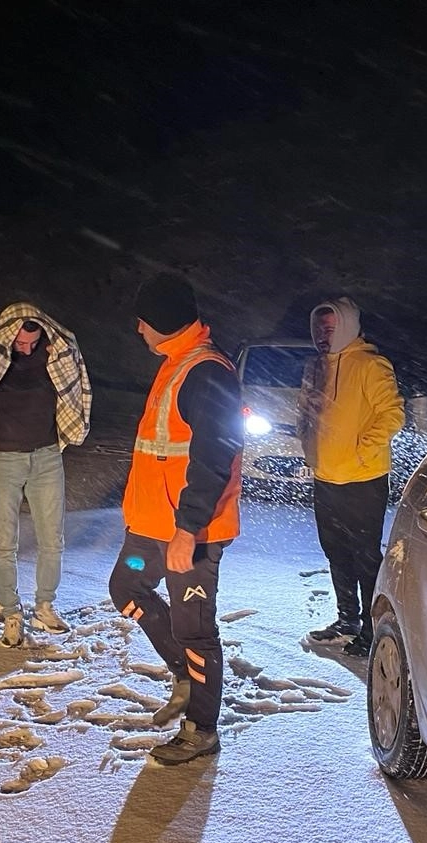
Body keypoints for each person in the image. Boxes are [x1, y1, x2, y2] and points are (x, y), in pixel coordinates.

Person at [108, 274, 244, 764]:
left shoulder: (206, 371)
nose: (139, 329)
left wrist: (188, 530)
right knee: (127, 589)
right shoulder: (176, 362)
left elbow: (213, 460)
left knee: (195, 630)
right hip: (153, 529)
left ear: (163, 320)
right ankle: (185, 673)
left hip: (191, 533)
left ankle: (201, 730)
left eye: (144, 320)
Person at [0, 302, 91, 646]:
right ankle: (11, 614)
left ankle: (45, 606)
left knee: (52, 539)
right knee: (3, 544)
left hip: (46, 455)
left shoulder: (57, 354)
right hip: (1, 458)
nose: (26, 350)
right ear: (7, 336)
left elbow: (75, 390)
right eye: (20, 343)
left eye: (33, 342)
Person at [299, 297, 405, 658]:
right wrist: (308, 442)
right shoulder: (315, 367)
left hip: (363, 480)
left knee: (365, 557)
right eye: (319, 327)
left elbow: (392, 414)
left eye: (330, 328)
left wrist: (360, 450)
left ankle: (373, 627)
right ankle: (347, 620)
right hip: (325, 478)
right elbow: (307, 411)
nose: (323, 335)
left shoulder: (370, 365)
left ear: (347, 327)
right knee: (336, 552)